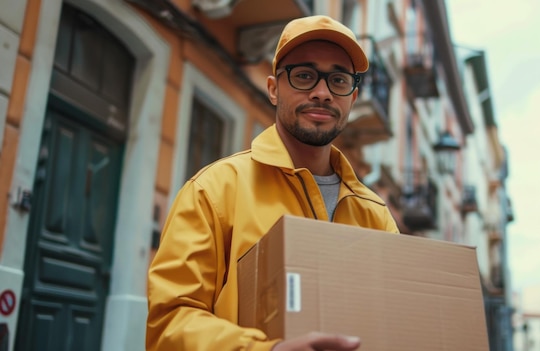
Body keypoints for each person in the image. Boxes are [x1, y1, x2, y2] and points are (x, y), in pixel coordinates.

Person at [146, 15, 400, 351]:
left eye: (338, 80)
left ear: (352, 99)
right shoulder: (214, 191)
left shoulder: (375, 215)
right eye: (305, 76)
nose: (322, 93)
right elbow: (169, 323)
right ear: (273, 90)